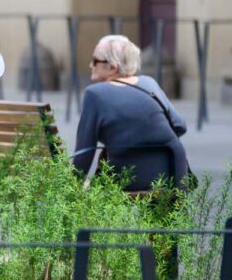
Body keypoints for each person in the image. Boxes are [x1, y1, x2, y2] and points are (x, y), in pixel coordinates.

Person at [71, 34, 189, 189]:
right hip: (173, 177)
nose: (90, 65)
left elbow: (84, 154)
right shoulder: (149, 83)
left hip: (127, 179)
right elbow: (180, 125)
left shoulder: (95, 94)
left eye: (95, 60)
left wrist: (72, 187)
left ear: (113, 67)